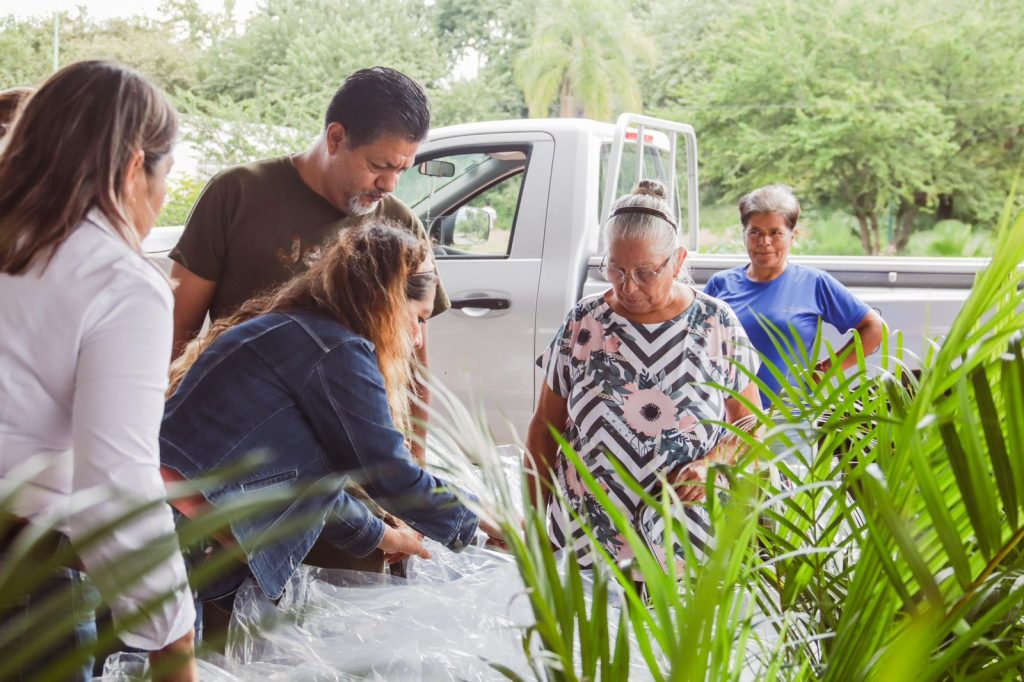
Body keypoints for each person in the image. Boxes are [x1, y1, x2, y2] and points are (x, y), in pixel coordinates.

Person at [160, 221, 496, 620]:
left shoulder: (300, 329)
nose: (419, 338)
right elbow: (391, 475)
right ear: (387, 301)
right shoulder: (337, 350)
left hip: (168, 523)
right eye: (418, 318)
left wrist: (387, 538)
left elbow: (309, 488)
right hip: (180, 534)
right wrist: (494, 522)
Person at [0, 61, 196, 681]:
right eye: (166, 175)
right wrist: (173, 643)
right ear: (136, 167)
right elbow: (116, 483)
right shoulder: (119, 282)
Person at [168, 67, 444, 467]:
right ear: (336, 137)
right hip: (238, 457)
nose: (389, 185)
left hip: (350, 467)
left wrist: (414, 471)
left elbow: (414, 368)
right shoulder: (237, 193)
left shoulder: (400, 226)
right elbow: (178, 329)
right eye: (378, 165)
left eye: (401, 170)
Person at [525, 180, 760, 572]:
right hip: (588, 538)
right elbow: (544, 428)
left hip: (686, 540)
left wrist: (711, 466)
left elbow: (750, 426)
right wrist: (533, 523)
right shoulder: (585, 321)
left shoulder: (715, 322)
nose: (628, 286)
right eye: (615, 268)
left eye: (645, 272)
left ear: (678, 261)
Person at [703, 184, 884, 408]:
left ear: (793, 236)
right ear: (744, 235)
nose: (764, 242)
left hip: (789, 417)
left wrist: (825, 370)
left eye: (775, 233)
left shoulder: (814, 283)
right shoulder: (720, 284)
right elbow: (696, 344)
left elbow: (874, 328)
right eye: (755, 232)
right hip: (729, 418)